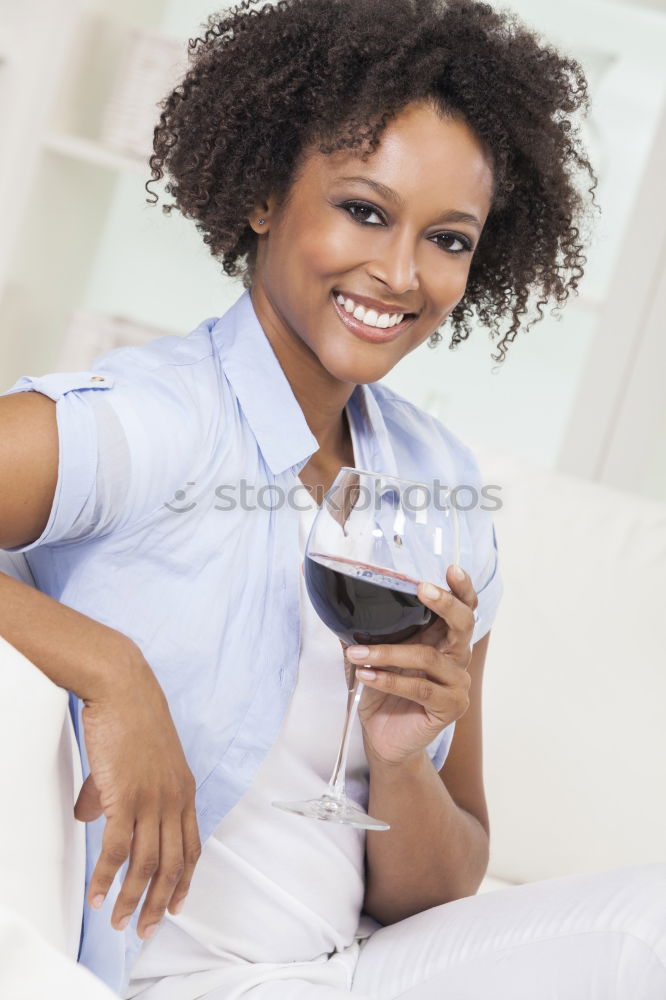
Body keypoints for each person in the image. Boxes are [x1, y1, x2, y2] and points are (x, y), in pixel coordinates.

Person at [0, 0, 664, 996]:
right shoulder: (144, 423)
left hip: (357, 968)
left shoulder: (445, 496)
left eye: (447, 238)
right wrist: (110, 671)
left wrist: (401, 758)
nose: (399, 273)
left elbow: (438, 893)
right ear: (267, 193)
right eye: (364, 209)